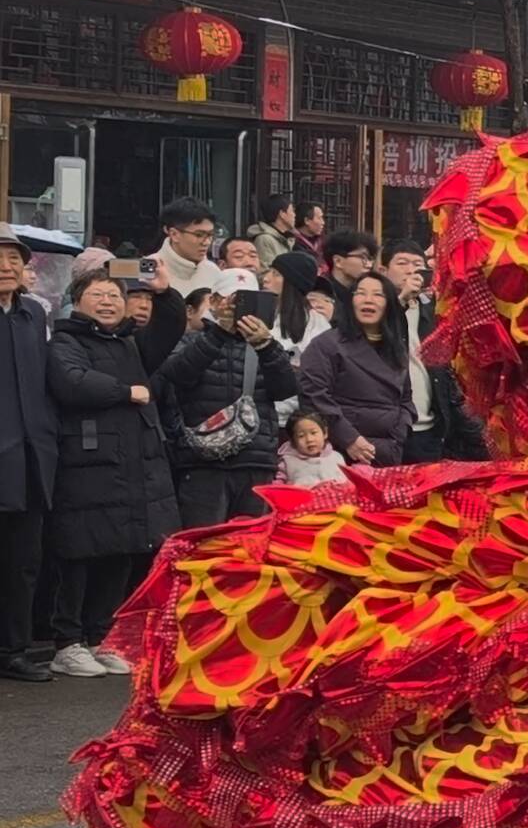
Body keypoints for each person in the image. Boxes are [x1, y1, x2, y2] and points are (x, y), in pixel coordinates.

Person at [43, 269, 181, 678]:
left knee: (120, 551)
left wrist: (165, 293)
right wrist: (126, 392)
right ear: (77, 301)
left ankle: (99, 637)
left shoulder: (131, 343)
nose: (108, 302)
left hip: (134, 463)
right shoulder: (64, 341)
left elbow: (169, 329)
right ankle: (67, 643)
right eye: (98, 294)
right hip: (87, 464)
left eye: (114, 295)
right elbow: (72, 383)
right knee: (80, 553)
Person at [156, 267, 302, 527]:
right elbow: (178, 375)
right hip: (203, 463)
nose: (238, 308)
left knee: (251, 542)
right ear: (213, 302)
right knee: (204, 541)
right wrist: (220, 332)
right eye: (231, 300)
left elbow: (286, 389)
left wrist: (266, 346)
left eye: (247, 300)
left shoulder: (267, 345)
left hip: (255, 460)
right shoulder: (191, 341)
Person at [0, 229, 60, 683]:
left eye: (14, 259)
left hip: (31, 455)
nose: (6, 267)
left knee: (23, 562)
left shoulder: (34, 313)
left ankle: (13, 649)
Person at [298, 271, 415, 467]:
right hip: (342, 452)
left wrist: (402, 429)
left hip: (388, 450)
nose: (368, 300)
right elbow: (313, 396)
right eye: (361, 293)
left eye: (377, 294)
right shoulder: (326, 344)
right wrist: (349, 439)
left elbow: (405, 398)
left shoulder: (396, 347)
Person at [383, 244, 485, 463]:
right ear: (383, 270)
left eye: (417, 265)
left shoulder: (434, 313)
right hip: (386, 429)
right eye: (402, 263)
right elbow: (376, 340)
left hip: (429, 426)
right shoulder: (373, 309)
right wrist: (401, 300)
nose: (411, 270)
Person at [262, 250, 334, 356]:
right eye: (269, 272)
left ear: (293, 284)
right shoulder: (258, 312)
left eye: (276, 274)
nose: (265, 279)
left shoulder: (316, 324)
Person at [151, 196, 223, 299]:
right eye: (199, 235)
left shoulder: (213, 271)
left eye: (210, 235)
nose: (207, 242)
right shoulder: (150, 268)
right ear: (174, 234)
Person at [277, 409, 347, 487]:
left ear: (325, 432)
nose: (309, 439)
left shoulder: (337, 457)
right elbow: (278, 486)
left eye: (313, 433)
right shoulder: (287, 462)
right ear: (293, 440)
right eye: (301, 436)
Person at [319, 230, 379, 301]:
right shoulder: (320, 293)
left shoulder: (367, 292)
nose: (369, 265)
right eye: (363, 257)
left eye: (370, 259)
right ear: (338, 261)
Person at [247, 193, 300, 266]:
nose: (294, 215)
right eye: (292, 211)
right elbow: (266, 270)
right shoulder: (264, 240)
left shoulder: (285, 238)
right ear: (282, 214)